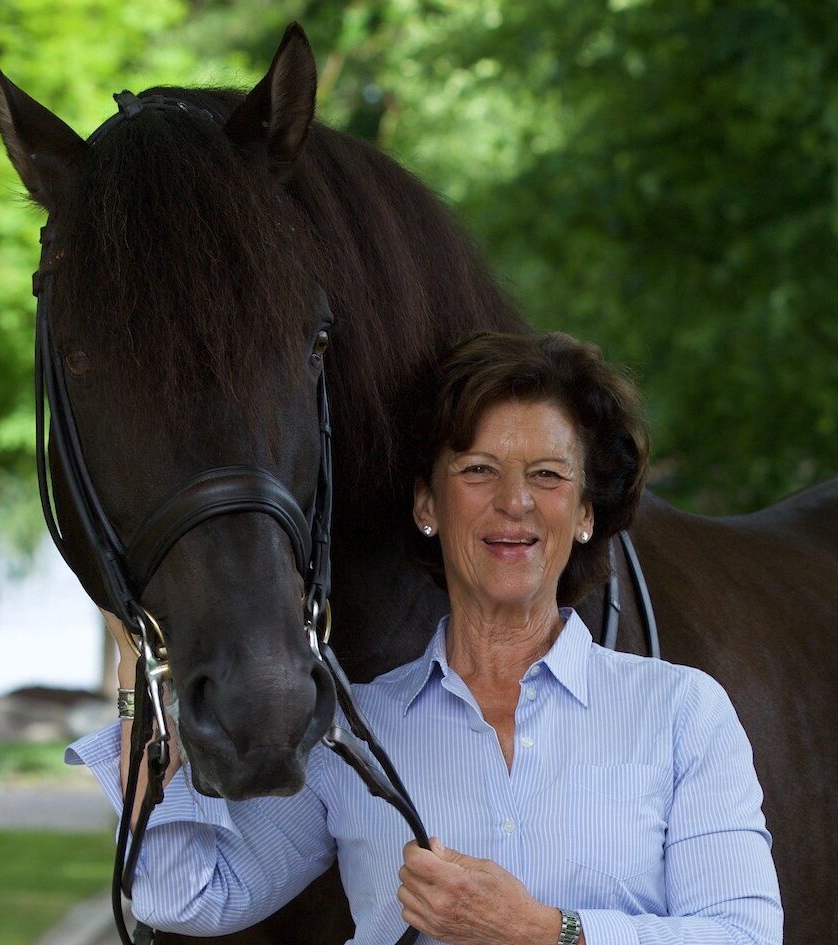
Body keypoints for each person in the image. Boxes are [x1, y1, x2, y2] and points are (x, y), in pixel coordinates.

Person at [68, 331, 783, 945]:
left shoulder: (682, 711)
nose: (515, 501)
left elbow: (744, 934)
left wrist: (541, 930)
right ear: (426, 504)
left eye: (547, 475)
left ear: (586, 512)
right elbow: (183, 892)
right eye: (478, 470)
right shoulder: (353, 732)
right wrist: (138, 670)